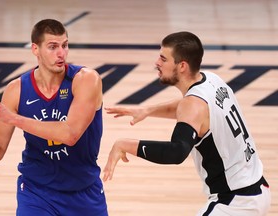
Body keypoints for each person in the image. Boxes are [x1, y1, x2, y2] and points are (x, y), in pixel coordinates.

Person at [103, 31, 271, 215]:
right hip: (258, 189)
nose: (157, 63)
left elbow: (176, 152)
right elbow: (190, 109)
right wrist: (147, 110)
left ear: (182, 66)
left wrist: (125, 144)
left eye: (163, 59)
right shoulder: (211, 80)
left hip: (234, 203)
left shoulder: (192, 104)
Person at [0, 19, 108, 216]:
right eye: (52, 47)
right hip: (36, 192)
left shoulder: (86, 79)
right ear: (35, 49)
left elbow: (70, 134)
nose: (61, 53)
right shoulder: (17, 90)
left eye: (65, 45)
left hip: (83, 192)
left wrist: (12, 118)